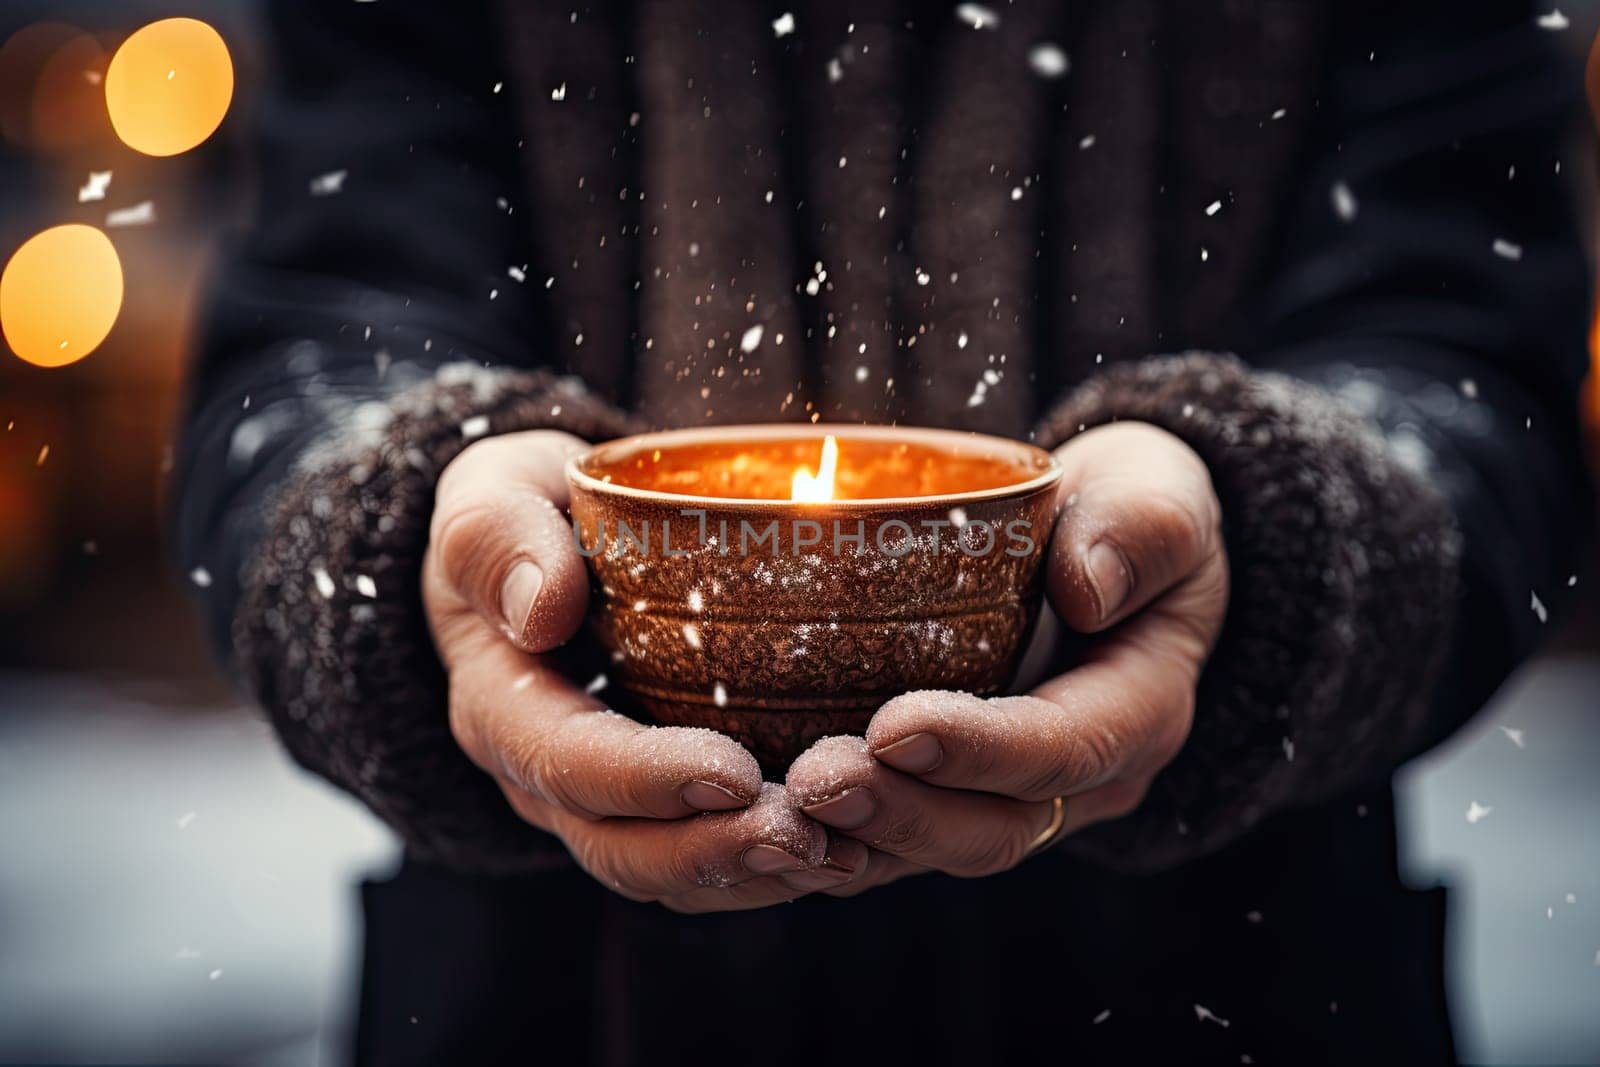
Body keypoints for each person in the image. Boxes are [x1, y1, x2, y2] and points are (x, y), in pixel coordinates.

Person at [175, 1, 1591, 1063]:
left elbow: (1473, 369)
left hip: (1244, 989)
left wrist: (1273, 557)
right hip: (547, 1002)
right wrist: (418, 535)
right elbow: (312, 346)